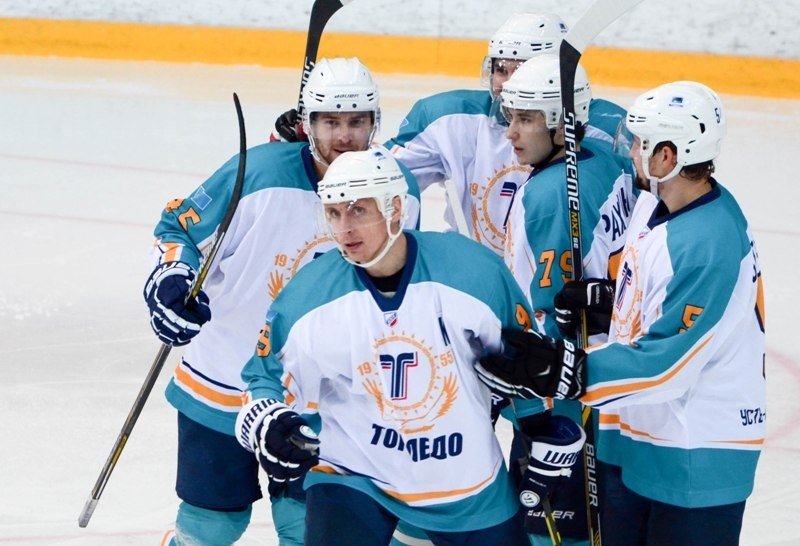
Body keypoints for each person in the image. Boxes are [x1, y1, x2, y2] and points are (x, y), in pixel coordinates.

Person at [235, 149, 578, 546]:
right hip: (355, 474)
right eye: (333, 213)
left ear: (395, 207)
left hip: (463, 476)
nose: (344, 228)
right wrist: (266, 420)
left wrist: (539, 428)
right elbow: (263, 377)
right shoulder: (307, 295)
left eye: (358, 210)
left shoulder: (473, 272)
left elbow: (525, 358)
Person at [143, 57, 421, 546]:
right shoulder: (259, 174)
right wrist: (171, 282)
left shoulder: (398, 189)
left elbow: (399, 286)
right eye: (330, 121)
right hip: (225, 379)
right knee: (210, 526)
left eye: (356, 121)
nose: (344, 136)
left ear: (374, 123)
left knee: (307, 528)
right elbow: (178, 229)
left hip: (326, 397)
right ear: (308, 124)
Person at [478, 81, 766, 546]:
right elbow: (657, 297)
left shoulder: (708, 242)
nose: (630, 152)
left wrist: (568, 371)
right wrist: (608, 303)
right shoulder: (657, 203)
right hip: (638, 435)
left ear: (667, 156)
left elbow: (666, 366)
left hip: (696, 452)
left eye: (639, 144)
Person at [497, 53, 638, 544]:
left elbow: (543, 313)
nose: (511, 133)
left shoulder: (550, 195)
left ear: (562, 123)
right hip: (609, 380)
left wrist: (539, 412)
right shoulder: (610, 164)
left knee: (552, 530)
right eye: (510, 116)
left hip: (562, 393)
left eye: (526, 119)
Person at [385, 12, 626, 254]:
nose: (506, 84)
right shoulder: (448, 120)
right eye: (501, 69)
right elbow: (384, 176)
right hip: (475, 270)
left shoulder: (607, 130)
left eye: (521, 71)